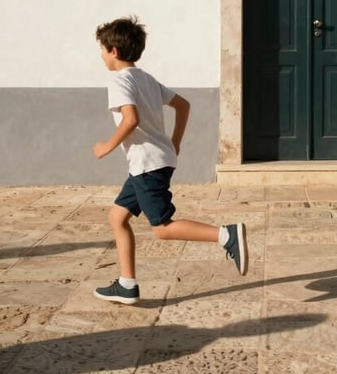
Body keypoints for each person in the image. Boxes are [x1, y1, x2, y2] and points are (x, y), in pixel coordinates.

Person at [92, 16, 247, 305]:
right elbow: (183, 104)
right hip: (152, 161)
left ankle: (226, 235)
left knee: (162, 228)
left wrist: (107, 146)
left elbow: (130, 119)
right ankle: (127, 284)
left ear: (113, 51)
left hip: (147, 164)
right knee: (117, 217)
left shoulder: (119, 81)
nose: (100, 55)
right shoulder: (145, 78)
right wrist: (174, 141)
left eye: (101, 49)